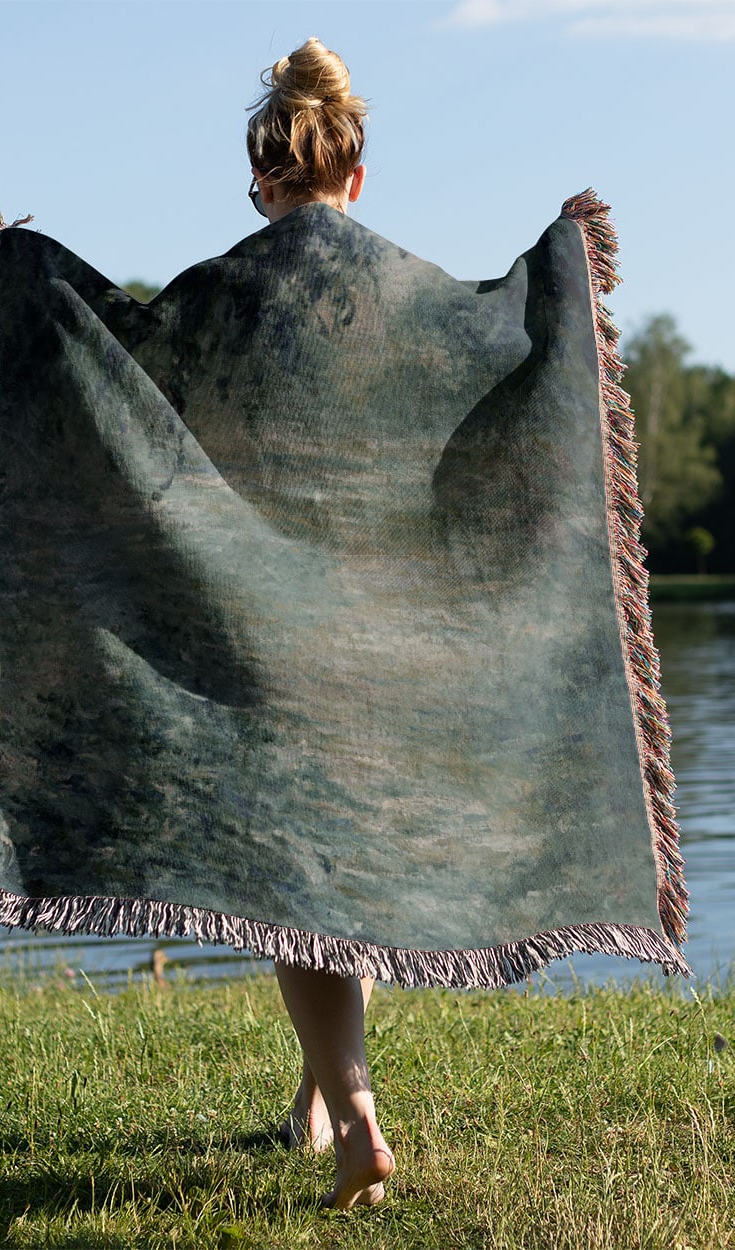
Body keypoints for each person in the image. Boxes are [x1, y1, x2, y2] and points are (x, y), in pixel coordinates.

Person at [243, 37, 395, 1212]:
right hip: (387, 623)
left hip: (274, 625)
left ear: (268, 184)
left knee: (289, 882)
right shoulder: (405, 297)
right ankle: (310, 1100)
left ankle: (356, 1118)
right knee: (333, 865)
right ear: (353, 176)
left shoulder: (235, 295)